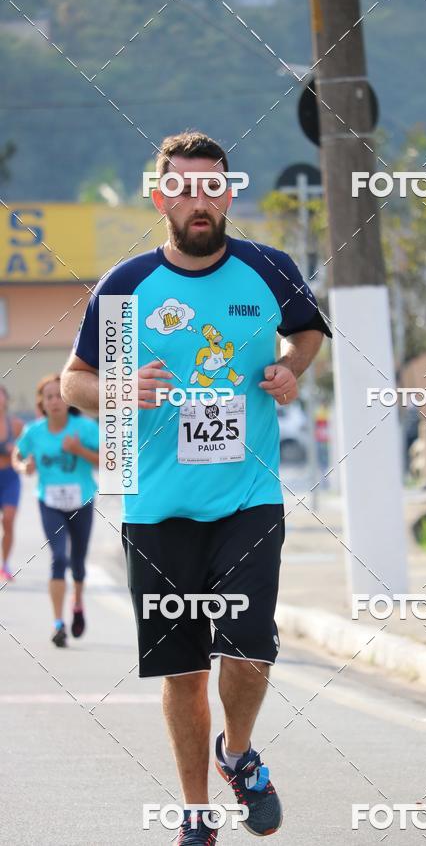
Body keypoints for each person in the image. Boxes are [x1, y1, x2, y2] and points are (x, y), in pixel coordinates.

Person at [61, 131, 331, 844]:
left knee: (248, 647)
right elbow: (75, 384)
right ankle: (195, 812)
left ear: (229, 192)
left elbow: (307, 333)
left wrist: (289, 368)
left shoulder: (269, 271)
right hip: (156, 507)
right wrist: (121, 388)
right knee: (182, 672)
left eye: (212, 185)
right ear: (160, 198)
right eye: (181, 187)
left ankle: (238, 755)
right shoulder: (125, 287)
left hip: (249, 497)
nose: (198, 199)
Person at [13, 375, 99, 647]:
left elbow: (109, 459)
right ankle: (58, 623)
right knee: (58, 557)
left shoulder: (84, 428)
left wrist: (78, 450)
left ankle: (77, 602)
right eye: (48, 397)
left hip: (81, 500)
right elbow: (18, 454)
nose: (54, 401)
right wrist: (23, 466)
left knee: (78, 561)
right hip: (49, 502)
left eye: (59, 395)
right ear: (42, 403)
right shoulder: (34, 432)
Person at [0, 386, 23, 581]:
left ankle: (5, 564)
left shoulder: (15, 424)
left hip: (10, 478)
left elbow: (26, 451)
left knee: (8, 520)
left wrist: (14, 450)